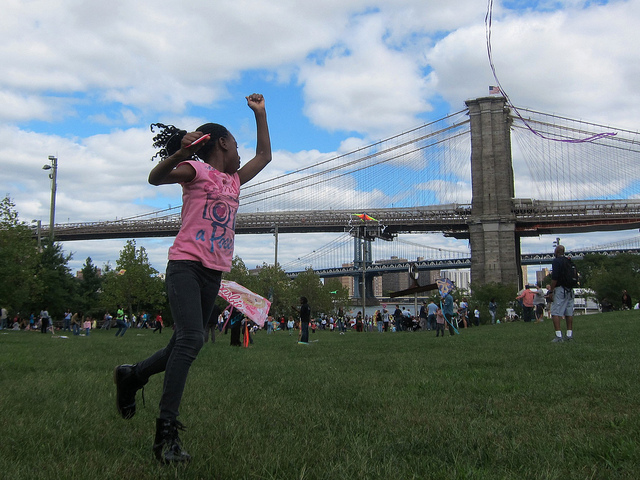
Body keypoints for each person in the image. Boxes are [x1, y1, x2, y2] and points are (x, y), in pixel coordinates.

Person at [113, 93, 271, 464]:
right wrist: (180, 155)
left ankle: (132, 376)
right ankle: (165, 434)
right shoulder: (197, 172)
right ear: (221, 144)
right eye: (235, 144)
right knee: (188, 339)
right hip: (185, 265)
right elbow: (156, 179)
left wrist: (260, 115)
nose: (239, 151)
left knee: (189, 342)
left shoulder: (233, 180)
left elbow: (264, 156)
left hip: (213, 271)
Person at [549, 245, 575, 342]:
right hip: (570, 290)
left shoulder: (556, 261)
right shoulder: (569, 261)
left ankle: (559, 336)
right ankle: (569, 335)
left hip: (560, 289)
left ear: (556, 251)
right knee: (569, 312)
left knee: (555, 312)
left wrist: (551, 290)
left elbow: (554, 277)